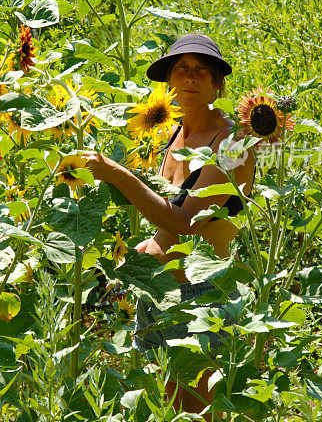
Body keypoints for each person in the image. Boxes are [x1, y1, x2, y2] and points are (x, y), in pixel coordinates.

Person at [80, 33, 255, 420]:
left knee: (199, 412)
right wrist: (146, 250)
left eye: (201, 70)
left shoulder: (232, 144)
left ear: (217, 83)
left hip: (199, 299)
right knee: (166, 408)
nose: (191, 78)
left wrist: (116, 174)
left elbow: (185, 222)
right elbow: (166, 224)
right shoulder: (176, 133)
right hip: (157, 293)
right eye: (182, 69)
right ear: (169, 80)